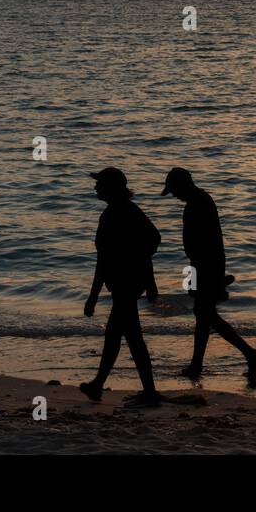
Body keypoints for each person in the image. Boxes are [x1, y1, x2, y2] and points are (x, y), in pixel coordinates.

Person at [161, 167, 256, 384]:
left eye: (174, 190)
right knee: (204, 315)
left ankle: (248, 353)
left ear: (182, 186)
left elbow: (204, 244)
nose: (174, 196)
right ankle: (203, 362)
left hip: (206, 266)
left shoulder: (198, 204)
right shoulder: (200, 201)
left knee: (205, 314)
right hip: (204, 265)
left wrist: (205, 275)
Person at [79, 167, 162, 407]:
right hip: (132, 282)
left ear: (109, 188)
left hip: (124, 284)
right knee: (117, 335)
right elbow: (151, 241)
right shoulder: (131, 210)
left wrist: (93, 297)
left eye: (99, 184)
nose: (95, 187)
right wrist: (149, 279)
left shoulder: (112, 215)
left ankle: (149, 393)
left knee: (130, 338)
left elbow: (103, 260)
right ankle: (98, 385)